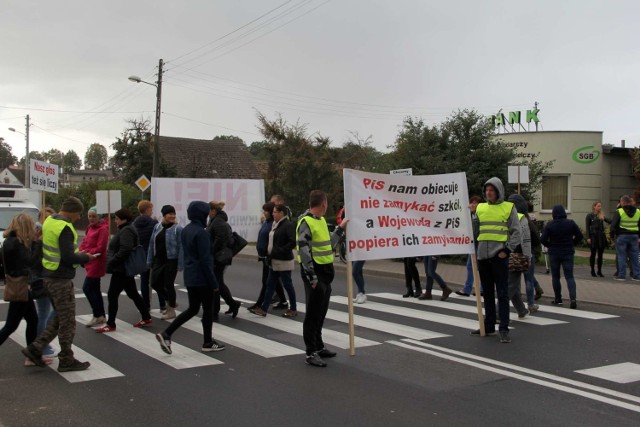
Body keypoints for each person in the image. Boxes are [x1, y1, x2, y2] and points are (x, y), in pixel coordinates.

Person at [22, 197, 95, 372]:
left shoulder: (49, 221)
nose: (78, 218)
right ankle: (66, 359)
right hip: (61, 279)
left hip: (48, 276)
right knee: (68, 322)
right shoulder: (65, 227)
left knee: (58, 318)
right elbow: (69, 257)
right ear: (71, 211)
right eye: (78, 214)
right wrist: (86, 257)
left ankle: (34, 348)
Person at [156, 201, 225, 354]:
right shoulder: (202, 233)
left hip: (191, 276)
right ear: (201, 214)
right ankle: (207, 342)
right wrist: (214, 282)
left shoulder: (186, 230)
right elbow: (206, 261)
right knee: (208, 309)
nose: (207, 216)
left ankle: (166, 334)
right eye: (206, 213)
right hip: (202, 278)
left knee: (193, 308)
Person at [297, 190, 347, 367]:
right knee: (312, 314)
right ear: (324, 203)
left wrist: (340, 230)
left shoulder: (321, 220)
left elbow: (329, 245)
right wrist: (312, 277)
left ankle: (319, 345)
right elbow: (303, 252)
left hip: (326, 273)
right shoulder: (306, 222)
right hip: (315, 274)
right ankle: (311, 352)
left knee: (321, 312)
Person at [471, 177, 522, 343]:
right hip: (482, 257)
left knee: (502, 293)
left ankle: (504, 328)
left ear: (498, 191)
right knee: (487, 293)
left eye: (491, 190)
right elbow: (474, 230)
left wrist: (507, 250)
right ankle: (489, 325)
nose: (488, 193)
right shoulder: (480, 208)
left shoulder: (508, 207)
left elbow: (517, 232)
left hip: (499, 257)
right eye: (486, 190)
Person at [96, 208, 153, 332]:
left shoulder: (126, 230)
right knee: (132, 293)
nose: (115, 221)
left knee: (112, 295)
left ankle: (111, 324)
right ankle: (146, 317)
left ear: (124, 219)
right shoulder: (126, 228)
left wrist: (112, 261)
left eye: (117, 218)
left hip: (122, 268)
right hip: (124, 268)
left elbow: (125, 249)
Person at [0, 214, 47, 366]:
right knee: (11, 325)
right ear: (26, 227)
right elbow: (31, 262)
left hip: (19, 285)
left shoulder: (10, 241)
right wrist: (37, 243)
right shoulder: (16, 243)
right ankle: (32, 356)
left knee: (32, 320)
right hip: (20, 286)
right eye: (31, 225)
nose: (34, 228)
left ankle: (32, 355)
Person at [252, 204, 298, 317]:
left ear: (281, 213)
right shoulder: (275, 224)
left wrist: (280, 250)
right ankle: (263, 309)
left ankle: (293, 309)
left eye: (275, 212)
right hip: (273, 259)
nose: (273, 214)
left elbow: (292, 242)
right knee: (270, 284)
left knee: (287, 285)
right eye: (273, 212)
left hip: (284, 260)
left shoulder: (287, 225)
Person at [541, 205, 583, 309]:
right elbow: (579, 236)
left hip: (554, 252)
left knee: (555, 276)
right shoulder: (570, 223)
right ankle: (573, 299)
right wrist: (572, 243)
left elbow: (542, 239)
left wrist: (549, 245)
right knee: (569, 276)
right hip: (568, 251)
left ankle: (558, 298)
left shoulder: (550, 225)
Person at [249, 202, 288, 312]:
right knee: (274, 280)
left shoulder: (273, 224)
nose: (264, 213)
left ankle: (259, 304)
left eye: (265, 211)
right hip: (263, 256)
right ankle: (284, 301)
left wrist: (269, 254)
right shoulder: (267, 223)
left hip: (269, 257)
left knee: (267, 281)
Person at [148, 205, 184, 320]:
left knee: (168, 284)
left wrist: (180, 263)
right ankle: (171, 301)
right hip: (158, 259)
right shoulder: (157, 227)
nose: (173, 216)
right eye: (170, 214)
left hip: (171, 260)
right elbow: (151, 244)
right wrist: (149, 259)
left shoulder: (177, 229)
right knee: (154, 283)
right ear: (164, 215)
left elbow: (181, 247)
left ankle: (171, 310)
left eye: (174, 214)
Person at [207, 200, 241, 319]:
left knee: (215, 284)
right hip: (218, 257)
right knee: (218, 283)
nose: (208, 213)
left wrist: (211, 251)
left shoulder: (218, 222)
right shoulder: (215, 220)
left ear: (213, 211)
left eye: (209, 210)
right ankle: (233, 304)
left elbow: (220, 240)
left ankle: (215, 311)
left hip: (219, 258)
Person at [31, 207, 56, 358]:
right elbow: (35, 261)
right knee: (44, 314)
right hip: (41, 279)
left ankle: (42, 344)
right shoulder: (37, 238)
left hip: (45, 278)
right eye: (45, 218)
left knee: (48, 312)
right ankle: (41, 346)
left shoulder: (45, 235)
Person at [79, 207, 109, 327]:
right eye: (89, 216)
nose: (91, 219)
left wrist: (87, 252)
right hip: (89, 260)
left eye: (94, 216)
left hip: (97, 261)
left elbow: (101, 248)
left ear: (99, 217)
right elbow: (84, 241)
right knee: (95, 289)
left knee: (87, 288)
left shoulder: (103, 229)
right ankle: (101, 315)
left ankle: (97, 315)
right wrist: (82, 250)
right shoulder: (90, 227)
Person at [505, 194, 533, 318]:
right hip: (518, 255)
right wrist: (528, 256)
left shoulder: (505, 215)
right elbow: (526, 240)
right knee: (511, 285)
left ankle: (521, 310)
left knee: (512, 285)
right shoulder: (522, 218)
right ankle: (498, 312)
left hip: (505, 253)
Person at [133, 200, 162, 312]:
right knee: (157, 280)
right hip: (152, 255)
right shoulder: (153, 223)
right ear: (146, 210)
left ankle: (146, 305)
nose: (152, 211)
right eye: (151, 209)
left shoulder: (134, 223)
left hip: (140, 255)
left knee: (144, 281)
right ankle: (162, 304)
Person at [610, 195, 640, 282]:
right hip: (634, 236)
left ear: (622, 202)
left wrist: (612, 236)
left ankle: (622, 275)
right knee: (634, 256)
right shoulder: (638, 211)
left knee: (621, 256)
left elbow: (613, 225)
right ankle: (637, 275)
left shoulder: (619, 211)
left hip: (622, 236)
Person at [457, 196, 482, 297]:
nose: (472, 205)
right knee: (470, 266)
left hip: (478, 244)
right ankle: (467, 289)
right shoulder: (470, 216)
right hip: (472, 244)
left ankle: (480, 289)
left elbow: (476, 231)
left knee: (478, 267)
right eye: (471, 202)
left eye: (475, 203)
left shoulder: (478, 215)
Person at [586, 200, 610, 277]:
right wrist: (588, 237)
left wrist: (604, 219)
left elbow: (609, 221)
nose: (600, 207)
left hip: (601, 236)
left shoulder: (601, 215)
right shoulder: (590, 215)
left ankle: (599, 270)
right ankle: (592, 270)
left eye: (600, 206)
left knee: (600, 254)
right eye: (598, 206)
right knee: (593, 254)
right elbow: (587, 227)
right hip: (593, 236)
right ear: (594, 207)